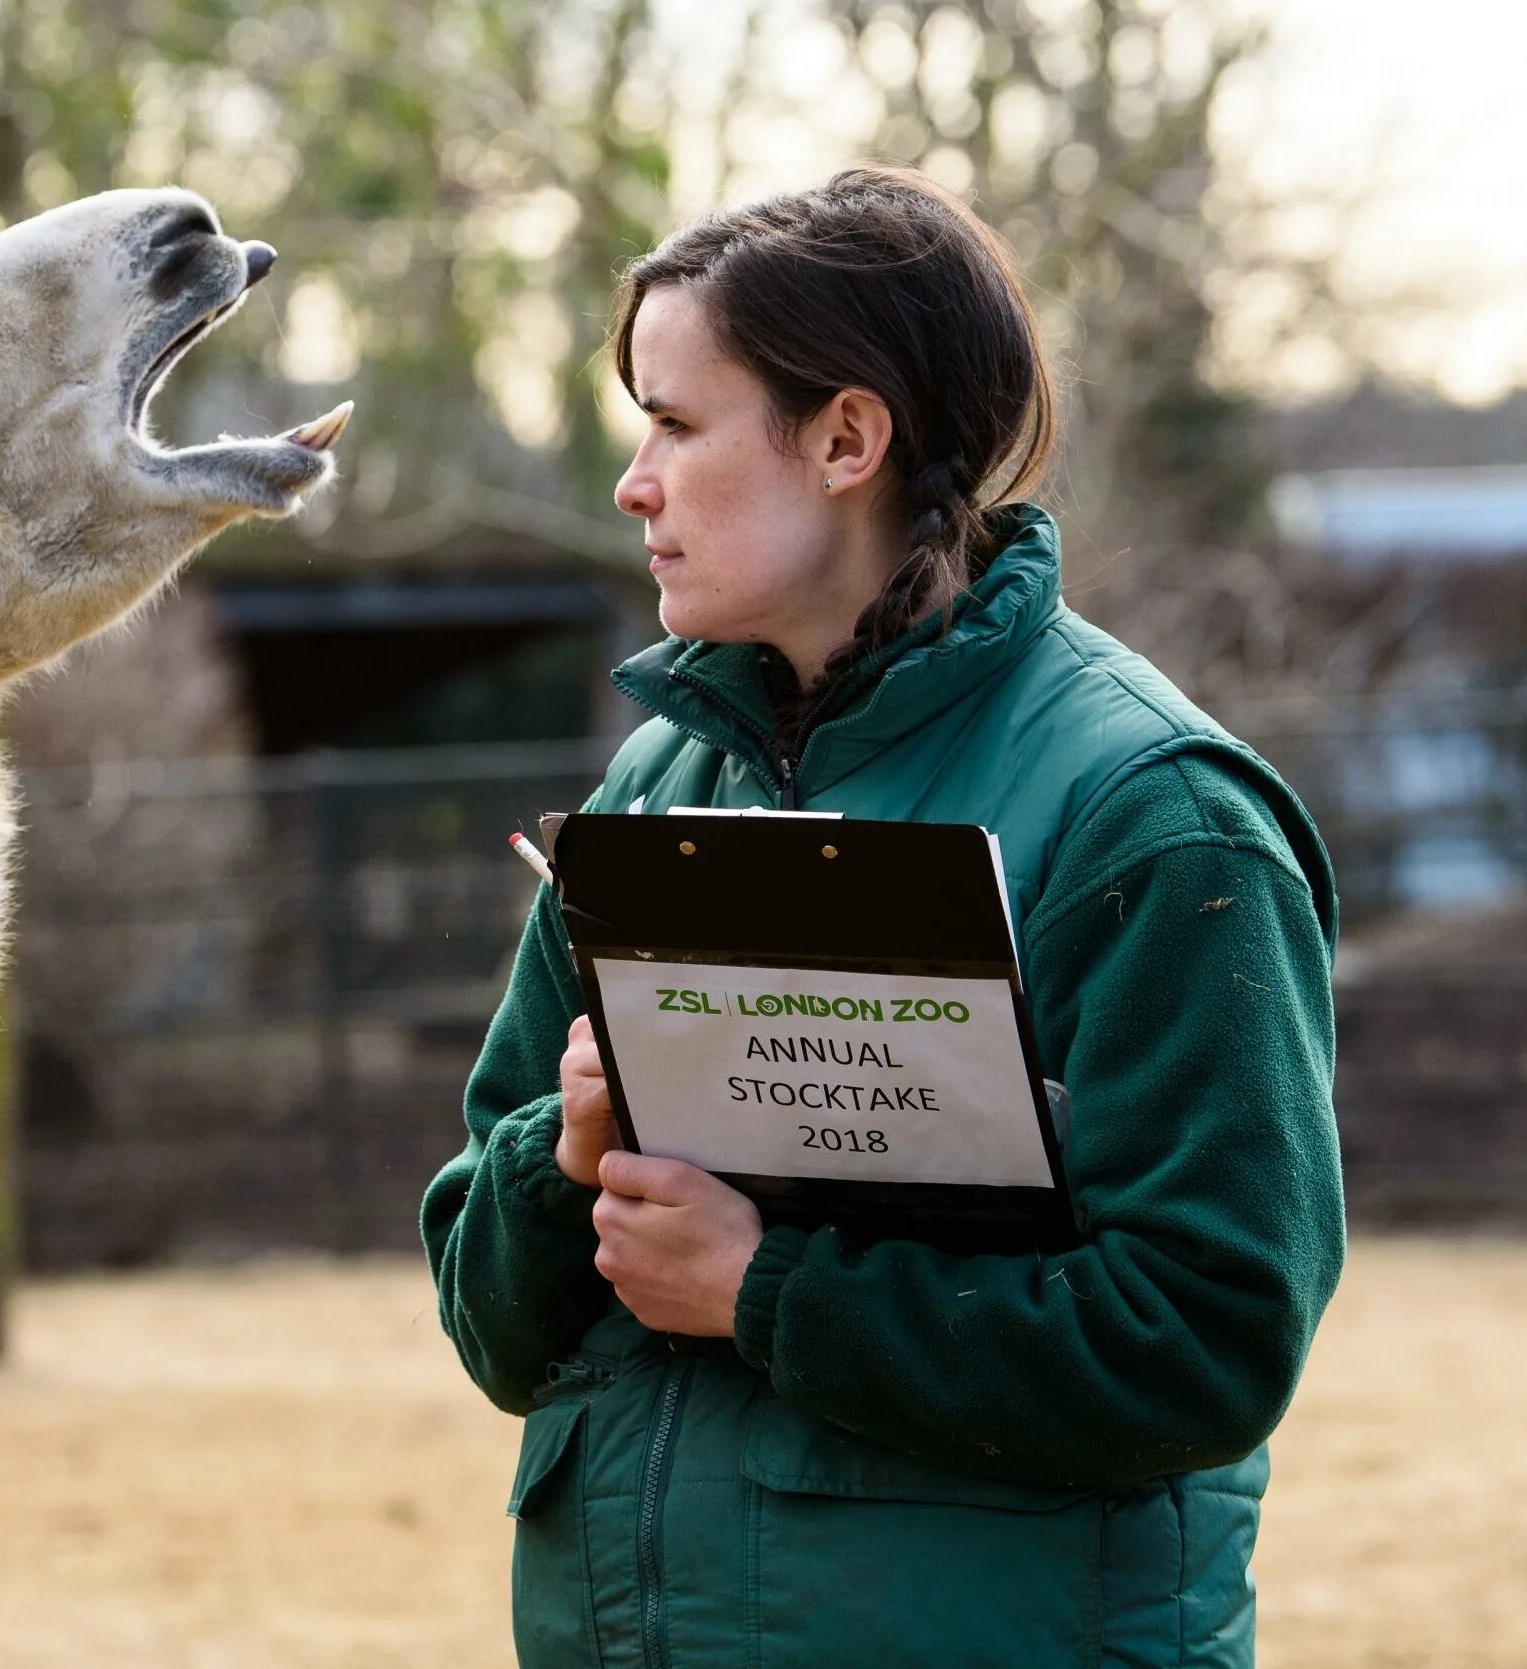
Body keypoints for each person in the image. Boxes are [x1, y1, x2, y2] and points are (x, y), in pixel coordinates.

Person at [421, 165, 1341, 1669]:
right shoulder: (655, 792)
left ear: (847, 438)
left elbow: (1206, 1335)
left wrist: (768, 1291)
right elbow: (488, 1321)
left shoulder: (1157, 818)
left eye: (673, 421)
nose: (630, 481)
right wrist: (557, 1158)